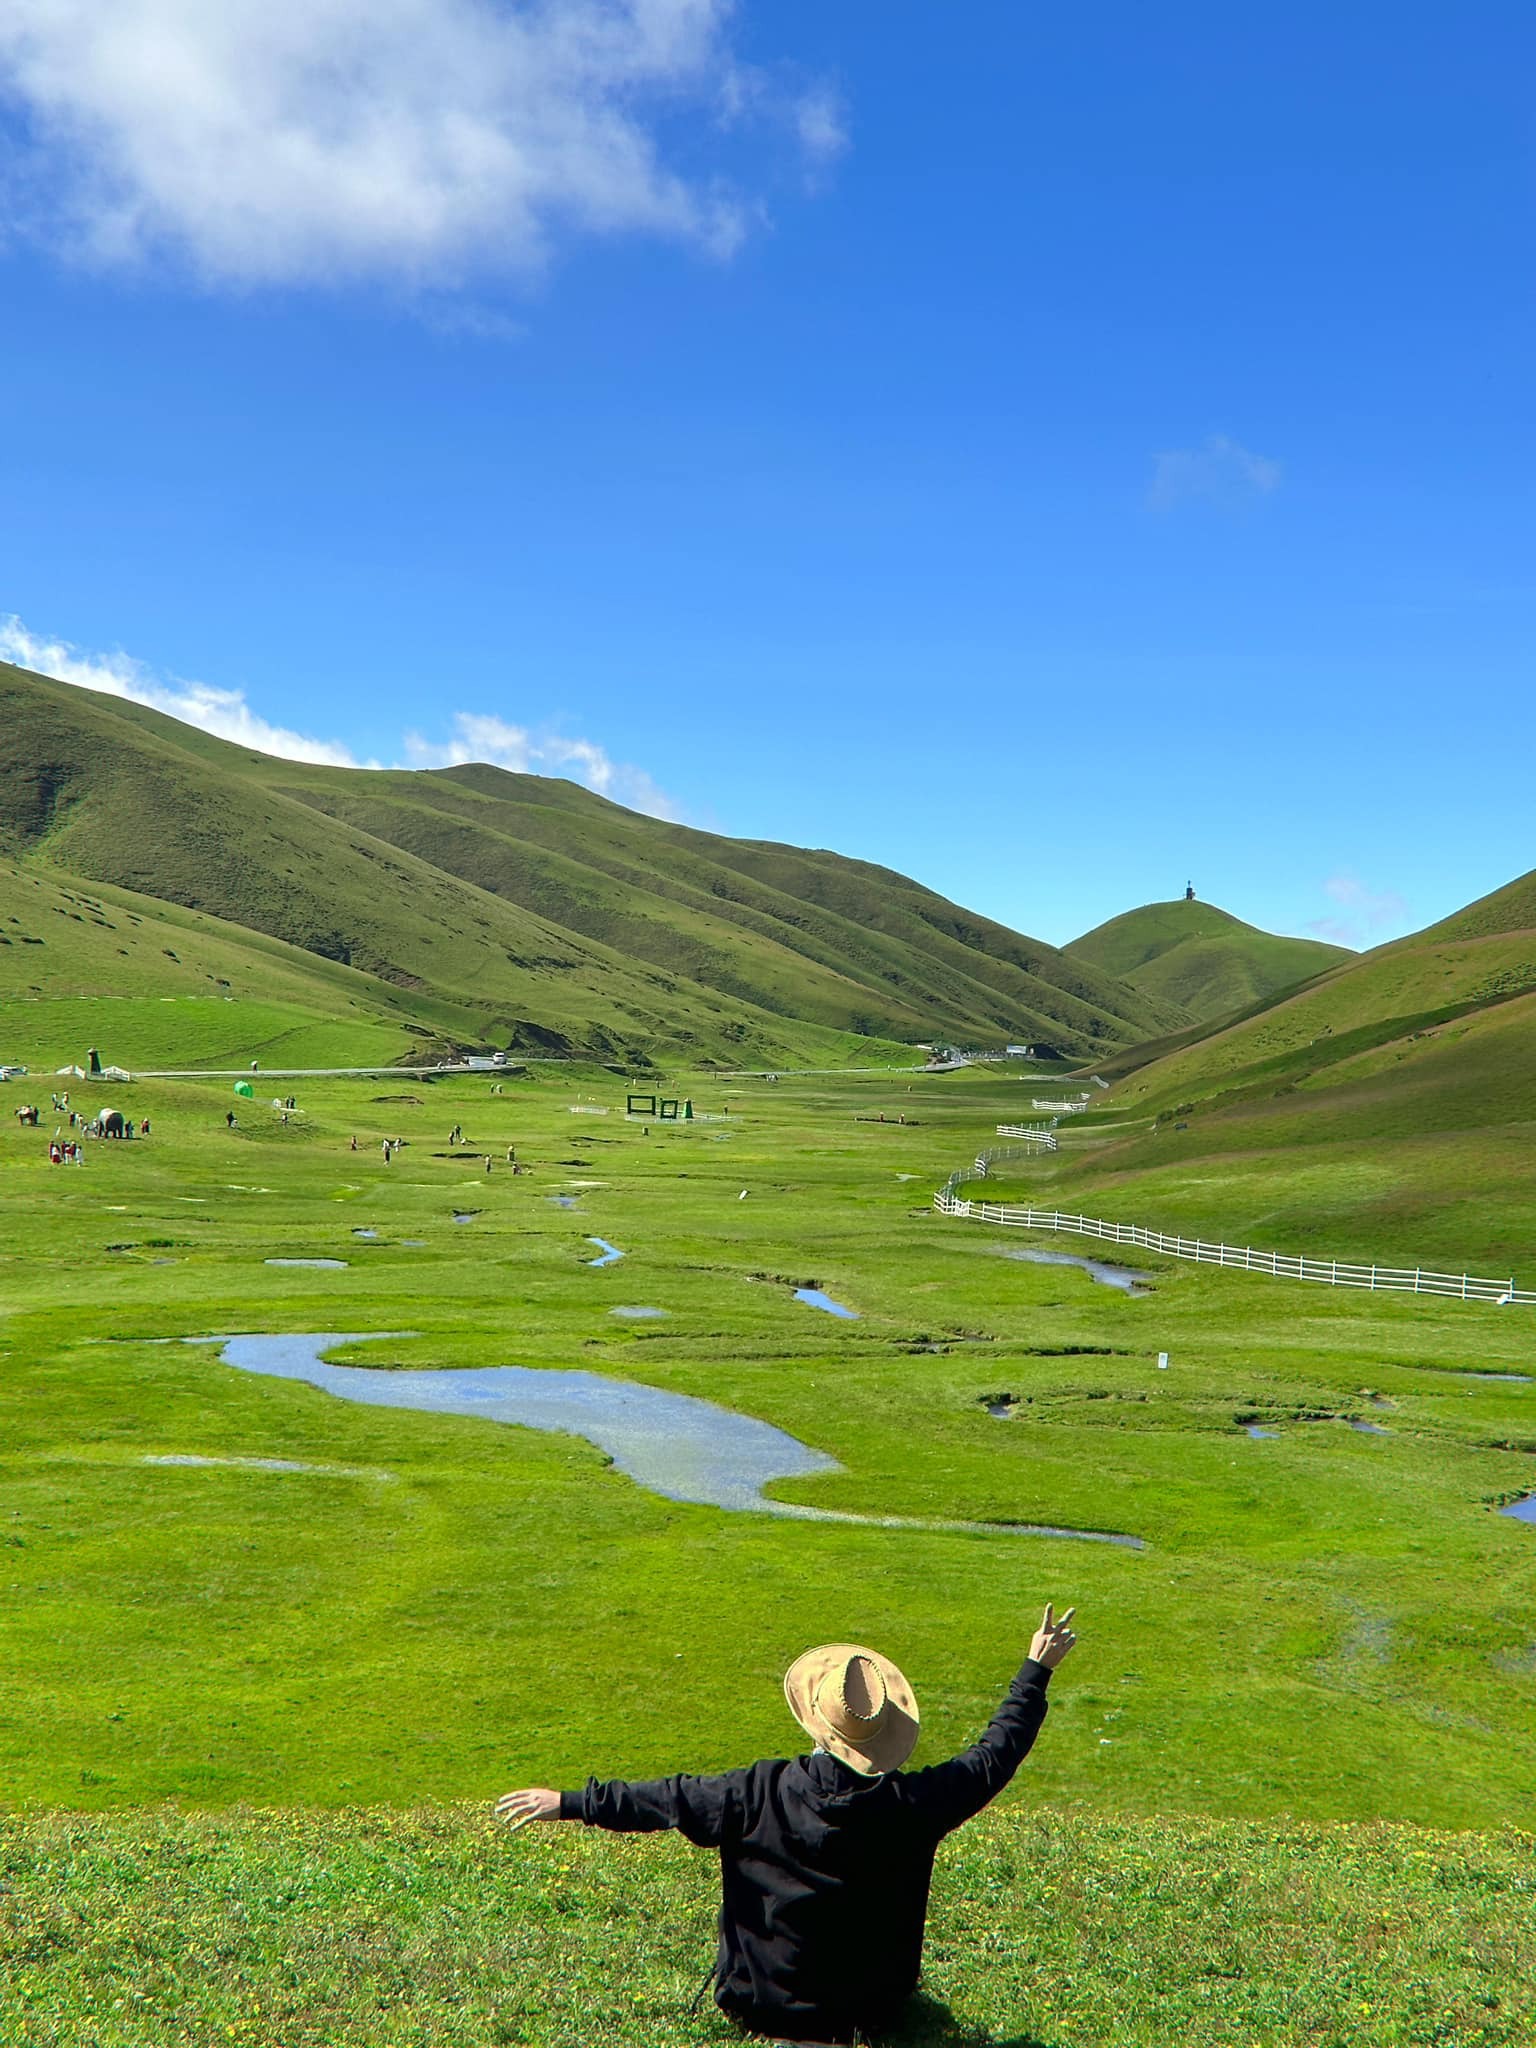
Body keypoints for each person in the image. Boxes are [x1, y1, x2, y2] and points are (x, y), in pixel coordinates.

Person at [496, 1605, 1078, 2045]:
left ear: (815, 1723)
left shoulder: (756, 1791)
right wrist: (1035, 1670)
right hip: (870, 2008)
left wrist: (569, 1801)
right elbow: (991, 1758)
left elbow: (663, 1799)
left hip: (759, 2002)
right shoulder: (913, 1804)